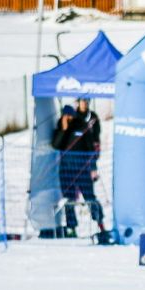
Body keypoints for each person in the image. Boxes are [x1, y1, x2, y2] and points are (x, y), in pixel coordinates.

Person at [53, 97, 103, 235]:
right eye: (66, 116)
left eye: (70, 116)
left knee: (90, 197)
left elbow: (90, 149)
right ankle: (71, 228)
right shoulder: (61, 127)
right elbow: (56, 145)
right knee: (68, 199)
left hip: (82, 170)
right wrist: (63, 130)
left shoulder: (81, 126)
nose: (68, 118)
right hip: (66, 170)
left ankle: (100, 224)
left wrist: (93, 167)